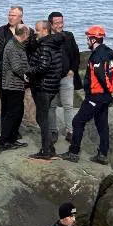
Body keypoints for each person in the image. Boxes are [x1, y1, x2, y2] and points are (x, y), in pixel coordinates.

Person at [59, 25, 113, 165]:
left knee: (77, 122)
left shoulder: (97, 56)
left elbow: (101, 76)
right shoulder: (107, 52)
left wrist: (107, 90)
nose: (86, 41)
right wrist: (110, 92)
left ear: (93, 39)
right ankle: (102, 155)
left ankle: (73, 152)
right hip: (104, 97)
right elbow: (112, 71)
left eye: (88, 38)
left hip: (96, 96)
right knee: (102, 125)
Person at [27, 20, 67, 160]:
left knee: (42, 119)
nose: (36, 32)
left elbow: (43, 66)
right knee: (44, 118)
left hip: (43, 87)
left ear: (45, 30)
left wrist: (29, 71)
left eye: (38, 30)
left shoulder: (45, 46)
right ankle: (50, 148)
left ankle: (46, 151)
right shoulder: (55, 45)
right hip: (52, 86)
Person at [0, 24, 32, 151]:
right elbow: (17, 67)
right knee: (12, 114)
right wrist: (28, 76)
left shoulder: (18, 45)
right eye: (28, 34)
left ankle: (12, 139)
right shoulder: (12, 46)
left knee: (18, 112)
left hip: (16, 86)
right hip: (11, 86)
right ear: (24, 34)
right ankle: (5, 141)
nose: (29, 36)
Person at [48, 12, 81, 144]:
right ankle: (53, 131)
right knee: (51, 106)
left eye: (61, 22)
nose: (60, 25)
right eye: (56, 23)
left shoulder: (69, 36)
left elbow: (76, 55)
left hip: (67, 76)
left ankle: (70, 131)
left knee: (68, 105)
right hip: (51, 78)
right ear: (50, 24)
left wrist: (72, 69)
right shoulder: (46, 38)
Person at [0, 5, 24, 93]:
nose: (10, 18)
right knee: (4, 101)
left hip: (19, 73)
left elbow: (32, 52)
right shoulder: (1, 30)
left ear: (20, 17)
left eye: (13, 16)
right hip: (2, 71)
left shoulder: (27, 31)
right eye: (9, 15)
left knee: (17, 101)